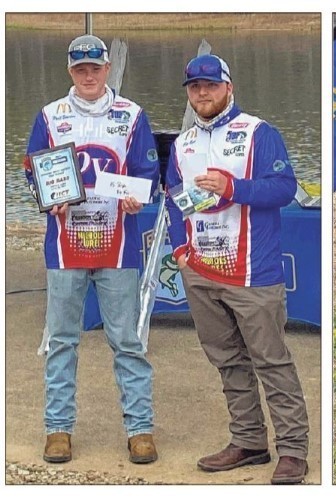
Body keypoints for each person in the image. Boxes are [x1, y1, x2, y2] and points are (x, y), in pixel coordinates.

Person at [164, 54, 310, 484]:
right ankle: (248, 440)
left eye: (210, 85)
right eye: (194, 87)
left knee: (271, 360)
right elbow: (174, 198)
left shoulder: (258, 133)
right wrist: (179, 247)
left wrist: (235, 188)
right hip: (201, 270)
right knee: (227, 360)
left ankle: (293, 450)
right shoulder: (183, 143)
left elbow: (285, 188)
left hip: (253, 273)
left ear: (229, 87)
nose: (202, 93)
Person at [24, 34, 160, 465]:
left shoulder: (132, 115)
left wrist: (140, 195)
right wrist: (48, 195)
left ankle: (140, 429)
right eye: (80, 69)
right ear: (70, 71)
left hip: (118, 248)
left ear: (106, 69)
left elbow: (148, 174)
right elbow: (33, 170)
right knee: (62, 340)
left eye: (95, 69)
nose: (88, 76)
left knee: (127, 341)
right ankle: (57, 429)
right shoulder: (50, 115)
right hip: (64, 248)